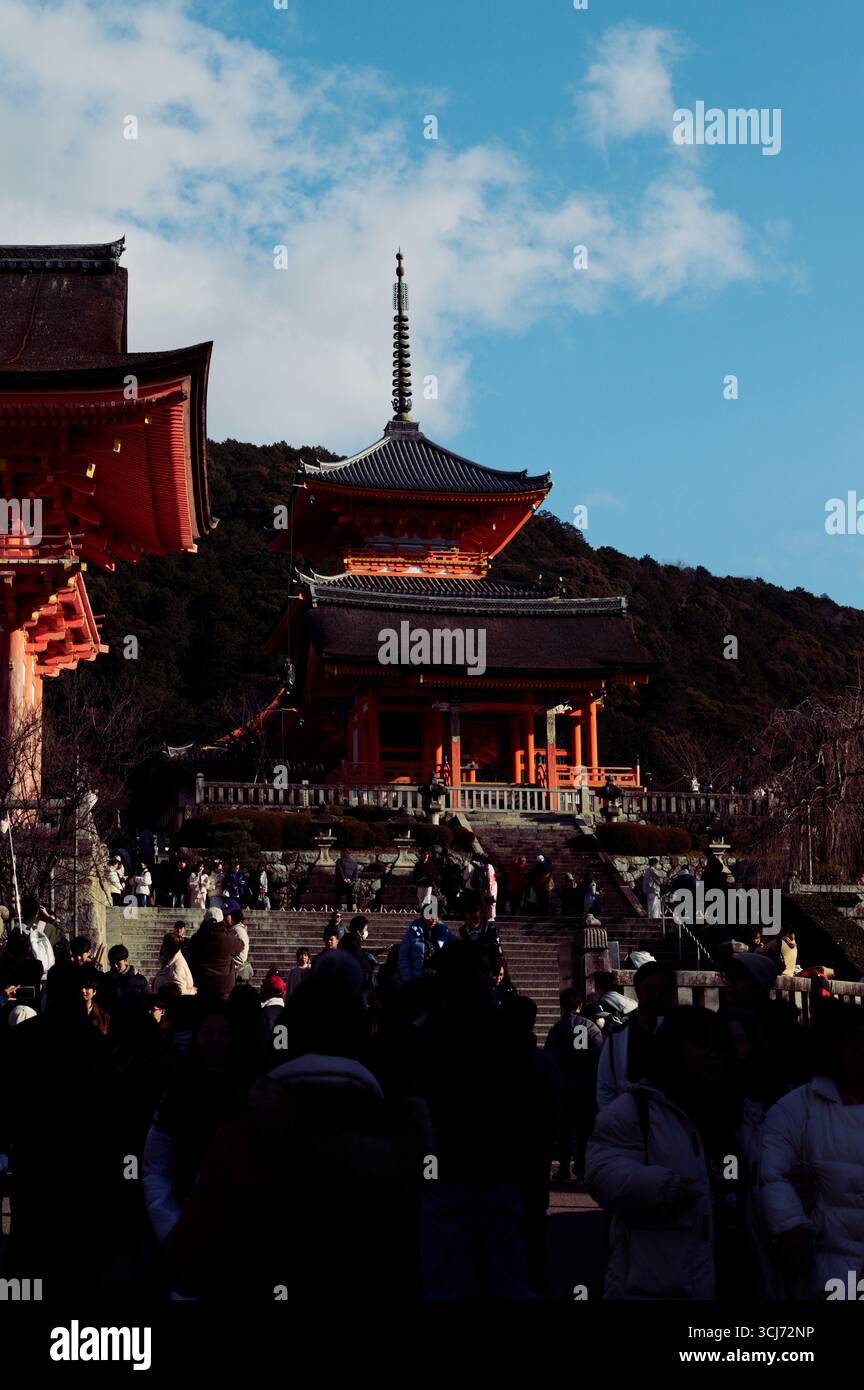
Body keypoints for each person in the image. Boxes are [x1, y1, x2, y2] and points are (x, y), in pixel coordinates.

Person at [586, 1007, 749, 1301]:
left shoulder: (742, 1107)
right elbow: (601, 1171)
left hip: (735, 1261)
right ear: (674, 1049)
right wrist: (659, 1186)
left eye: (719, 1045)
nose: (714, 1054)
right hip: (662, 1270)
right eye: (701, 1043)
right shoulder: (636, 1108)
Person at [760, 1003, 864, 1300]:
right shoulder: (796, 1107)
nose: (861, 1050)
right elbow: (772, 1175)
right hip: (827, 1264)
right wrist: (792, 1227)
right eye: (853, 1040)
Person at [596, 962, 677, 1108]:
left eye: (663, 989)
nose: (657, 996)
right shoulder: (617, 1039)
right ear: (638, 992)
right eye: (650, 990)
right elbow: (606, 1087)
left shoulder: (686, 1033)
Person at [544, 988, 604, 1183]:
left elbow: (550, 1057)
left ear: (562, 1006)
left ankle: (563, 1167)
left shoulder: (557, 1029)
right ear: (580, 1005)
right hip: (585, 1087)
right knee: (584, 1129)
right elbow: (598, 1055)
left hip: (564, 1088)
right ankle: (582, 1166)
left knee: (564, 1131)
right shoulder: (590, 1027)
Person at [187, 910, 243, 1004]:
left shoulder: (196, 939)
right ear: (222, 922)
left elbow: (192, 954)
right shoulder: (227, 940)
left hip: (203, 983)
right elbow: (241, 945)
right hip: (224, 986)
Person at [398, 912, 457, 983]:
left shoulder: (444, 931)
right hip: (418, 979)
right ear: (423, 917)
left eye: (435, 916)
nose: (432, 919)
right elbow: (403, 957)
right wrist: (407, 979)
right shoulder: (412, 933)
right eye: (429, 916)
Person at [99, 944, 148, 1014]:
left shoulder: (139, 980)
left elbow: (147, 1001)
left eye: (118, 963)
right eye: (112, 963)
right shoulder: (106, 979)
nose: (115, 966)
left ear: (125, 960)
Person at [334, 847, 359, 912]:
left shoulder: (340, 861)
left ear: (344, 852)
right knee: (349, 896)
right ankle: (350, 910)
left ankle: (337, 909)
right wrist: (351, 879)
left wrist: (344, 878)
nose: (340, 854)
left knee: (337, 895)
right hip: (349, 882)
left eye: (341, 852)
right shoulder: (354, 862)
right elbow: (356, 873)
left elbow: (340, 871)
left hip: (341, 882)